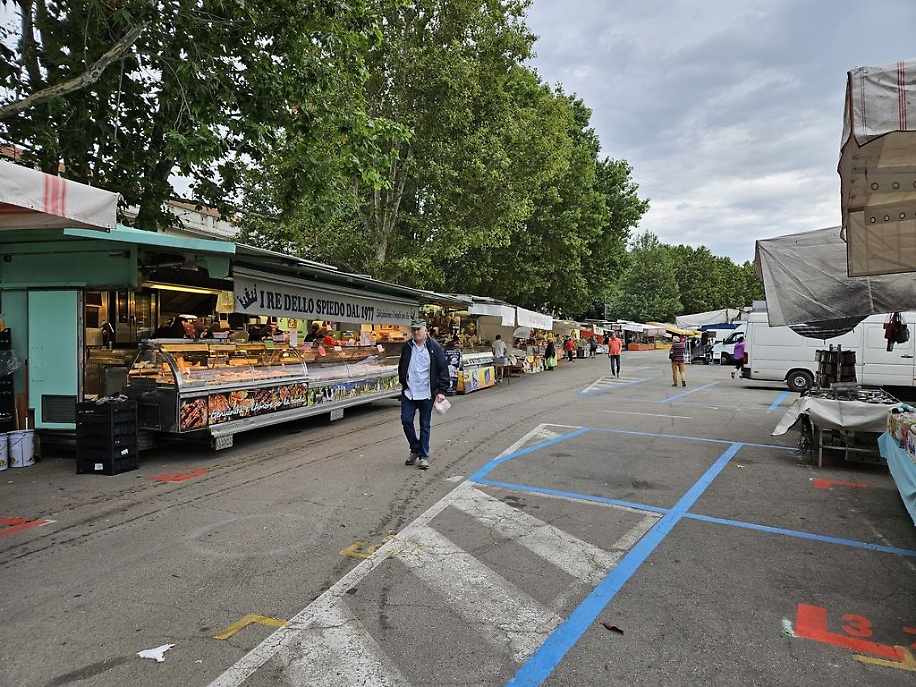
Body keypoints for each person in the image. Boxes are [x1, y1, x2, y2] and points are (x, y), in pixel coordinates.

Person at [398, 320, 449, 471]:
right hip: (409, 392)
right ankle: (415, 447)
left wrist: (441, 391)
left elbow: (443, 369)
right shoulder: (407, 346)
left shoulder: (434, 348)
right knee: (406, 421)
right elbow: (402, 365)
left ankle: (423, 456)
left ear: (425, 330)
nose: (416, 332)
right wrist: (403, 381)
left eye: (419, 329)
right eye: (413, 330)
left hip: (427, 392)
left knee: (424, 425)